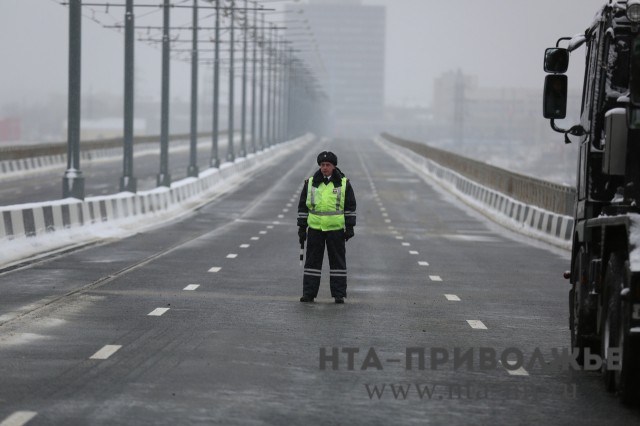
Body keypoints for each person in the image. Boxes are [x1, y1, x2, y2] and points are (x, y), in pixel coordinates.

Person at [297, 151, 356, 304]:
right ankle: (309, 294)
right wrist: (302, 228)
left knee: (337, 264)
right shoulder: (310, 183)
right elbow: (303, 207)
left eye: (327, 165)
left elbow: (350, 207)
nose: (324, 168)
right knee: (312, 264)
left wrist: (350, 227)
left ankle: (339, 294)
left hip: (335, 230)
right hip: (315, 229)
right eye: (322, 165)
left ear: (334, 166)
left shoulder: (343, 183)